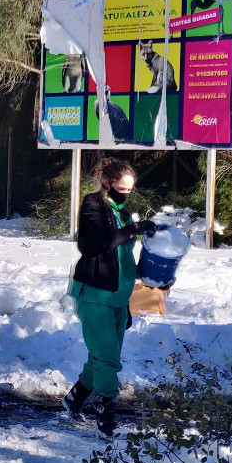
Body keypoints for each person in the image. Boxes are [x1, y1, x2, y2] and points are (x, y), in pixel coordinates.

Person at [62, 158, 156, 438]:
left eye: (130, 190)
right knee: (107, 359)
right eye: (121, 188)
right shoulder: (93, 205)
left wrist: (155, 273)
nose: (126, 194)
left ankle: (74, 398)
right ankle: (106, 416)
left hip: (119, 296)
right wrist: (133, 230)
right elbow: (101, 242)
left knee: (102, 356)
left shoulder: (122, 212)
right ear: (107, 183)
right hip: (95, 294)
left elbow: (123, 255)